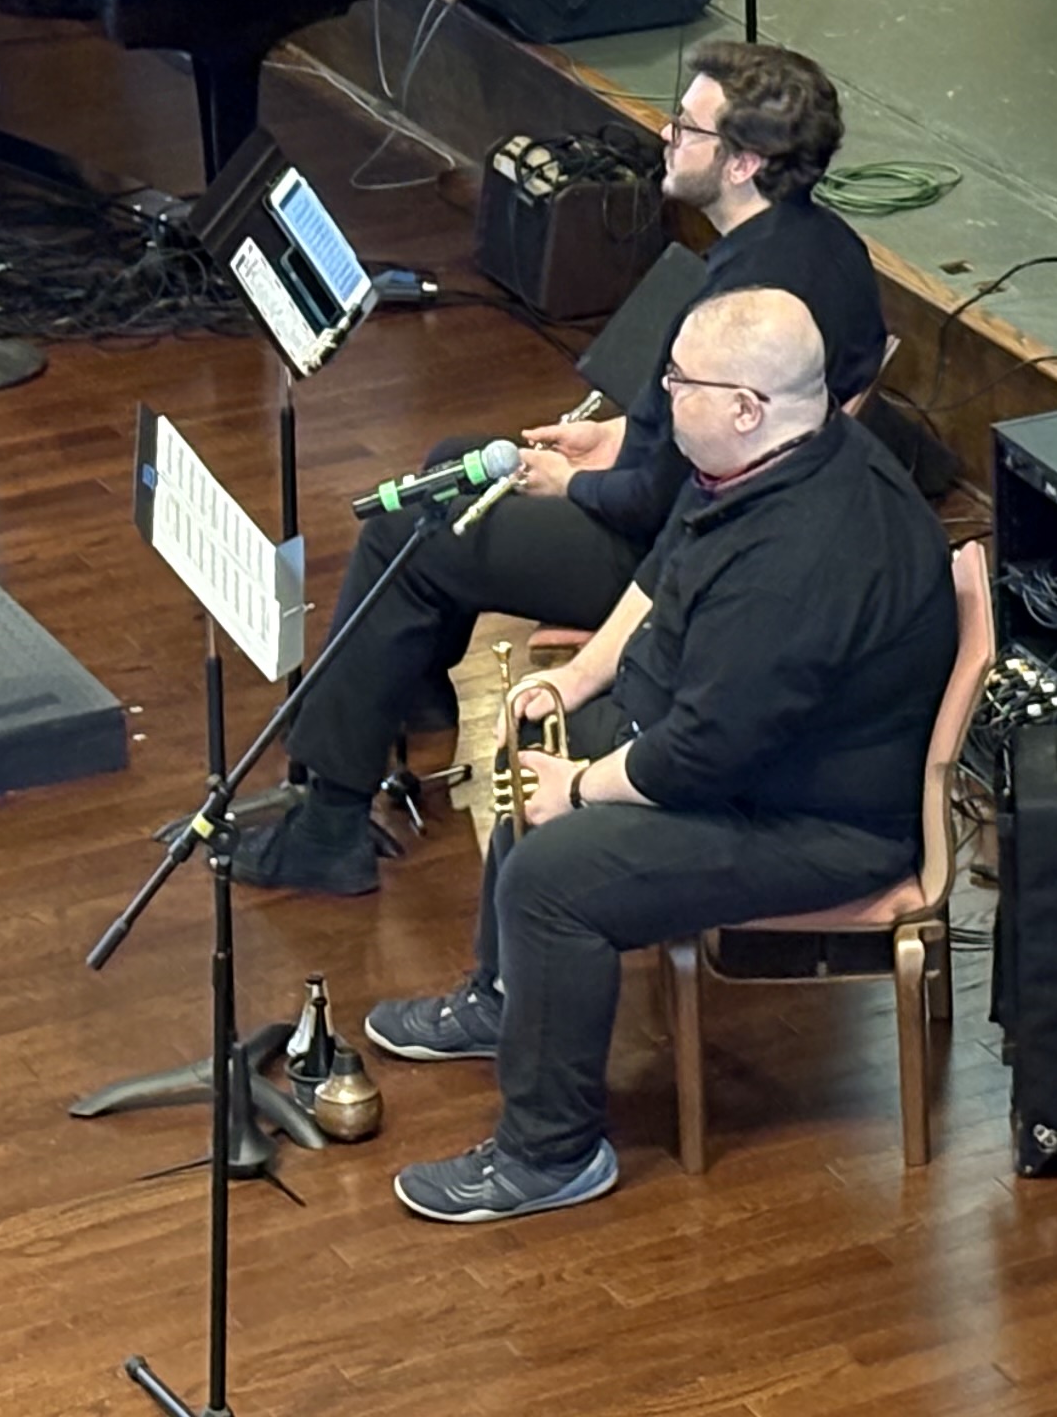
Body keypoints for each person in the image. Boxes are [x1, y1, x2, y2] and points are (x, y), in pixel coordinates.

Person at [229, 39, 899, 896]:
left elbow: (661, 499)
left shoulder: (749, 285)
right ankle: (411, 692)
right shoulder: (820, 242)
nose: (665, 136)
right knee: (451, 464)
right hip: (713, 512)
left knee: (411, 522)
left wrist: (572, 482)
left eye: (686, 127)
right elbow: (724, 430)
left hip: (681, 563)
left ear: (744, 162)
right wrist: (621, 434)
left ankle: (327, 824)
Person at [374, 287, 959, 1225]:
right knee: (540, 754)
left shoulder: (803, 558)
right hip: (747, 761)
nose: (660, 393)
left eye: (680, 380)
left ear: (746, 406)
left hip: (818, 823)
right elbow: (664, 573)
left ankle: (551, 1154)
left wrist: (583, 789)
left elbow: (705, 755)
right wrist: (577, 683)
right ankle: (507, 996)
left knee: (555, 875)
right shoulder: (767, 457)